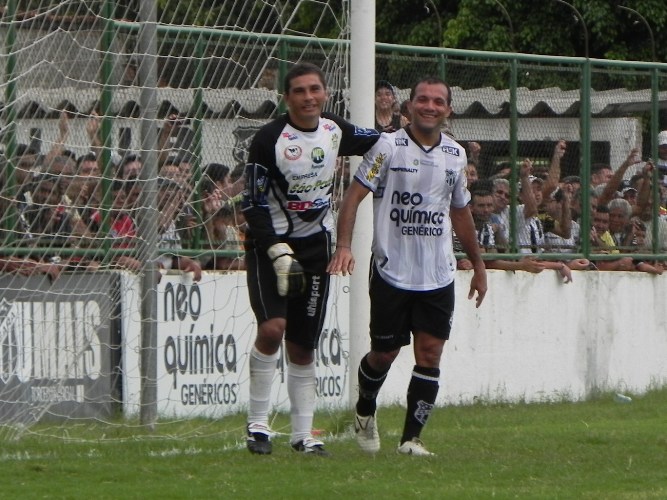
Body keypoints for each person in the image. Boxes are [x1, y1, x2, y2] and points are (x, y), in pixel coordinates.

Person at [327, 76, 487, 456]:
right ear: (409, 106)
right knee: (384, 354)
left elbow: (461, 212)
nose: (430, 106)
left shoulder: (456, 155)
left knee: (430, 354)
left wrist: (478, 266)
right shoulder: (387, 146)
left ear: (448, 110)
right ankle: (365, 408)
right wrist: (345, 245)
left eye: (438, 101)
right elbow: (353, 197)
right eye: (423, 100)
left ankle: (410, 439)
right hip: (391, 270)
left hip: (437, 273)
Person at [241, 62, 380, 456]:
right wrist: (274, 250)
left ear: (324, 94)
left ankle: (304, 435)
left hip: (316, 248)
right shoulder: (268, 140)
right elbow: (251, 204)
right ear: (286, 98)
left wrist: (368, 179)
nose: (308, 97)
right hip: (270, 247)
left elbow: (377, 142)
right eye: (299, 91)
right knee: (272, 329)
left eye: (314, 90)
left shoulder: (335, 129)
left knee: (303, 346)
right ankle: (257, 426)